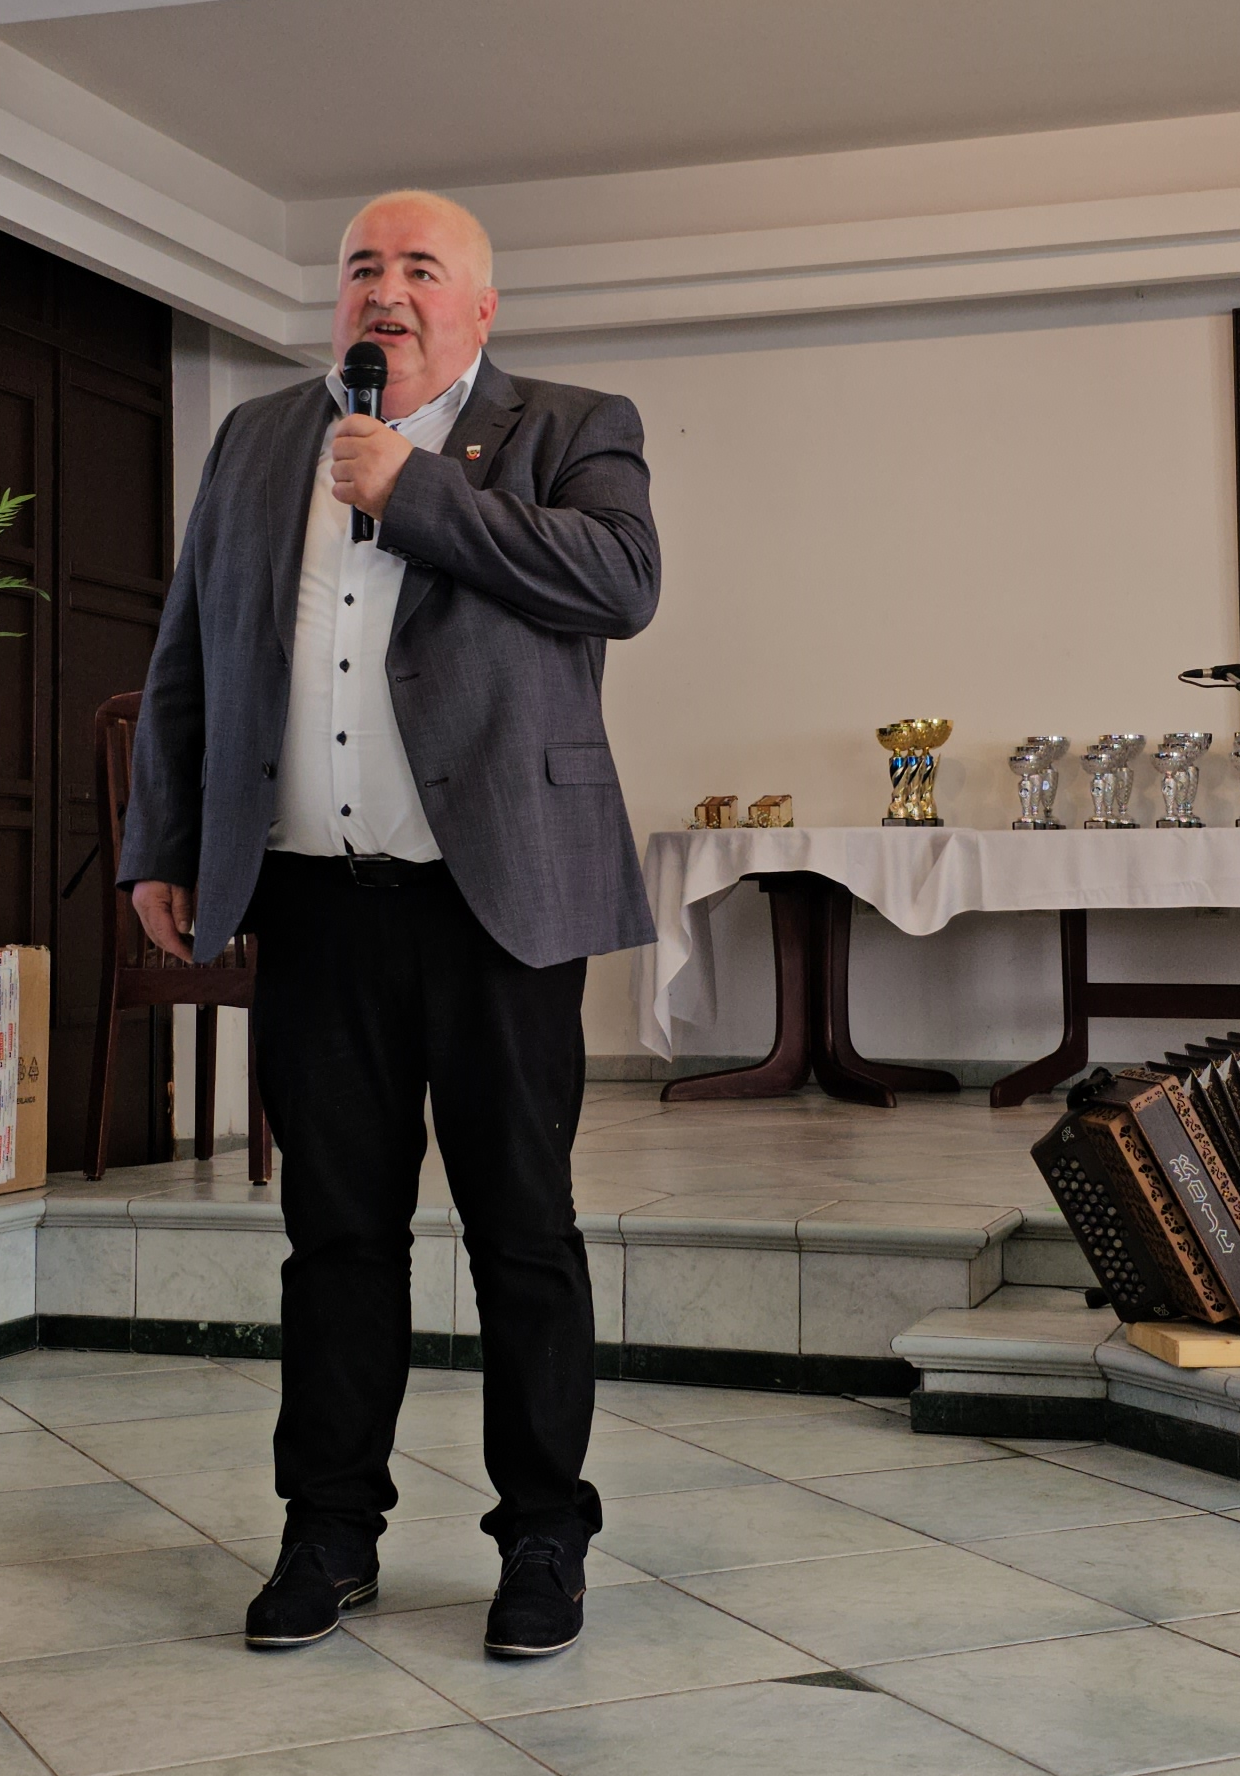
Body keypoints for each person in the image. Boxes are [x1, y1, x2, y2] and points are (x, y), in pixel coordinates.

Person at [120, 188, 659, 1657]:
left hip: (499, 908)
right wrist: (161, 839)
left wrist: (410, 488)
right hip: (313, 901)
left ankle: (543, 1537)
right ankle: (328, 1532)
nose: (388, 289)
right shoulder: (257, 440)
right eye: (364, 266)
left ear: (481, 307)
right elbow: (191, 644)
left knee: (523, 1232)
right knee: (336, 1234)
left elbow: (620, 583)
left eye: (423, 267)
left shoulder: (571, 425)